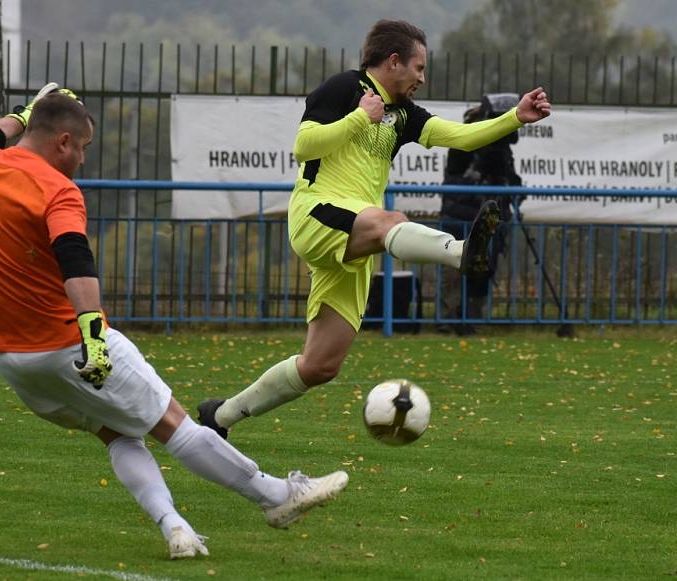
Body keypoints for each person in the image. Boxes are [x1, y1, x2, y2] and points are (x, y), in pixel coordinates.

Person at [0, 83, 348, 560]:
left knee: (116, 432)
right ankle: (278, 497)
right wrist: (93, 337)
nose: (81, 158)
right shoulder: (58, 189)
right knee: (175, 426)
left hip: (10, 359)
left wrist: (27, 108)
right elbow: (75, 260)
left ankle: (174, 526)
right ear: (62, 141)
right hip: (63, 342)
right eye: (82, 147)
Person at [198, 19, 550, 439]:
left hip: (355, 239)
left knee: (320, 365)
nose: (422, 77)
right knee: (391, 222)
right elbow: (303, 147)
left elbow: (461, 137)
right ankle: (460, 252)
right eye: (418, 68)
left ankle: (220, 416)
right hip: (317, 213)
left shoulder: (405, 115)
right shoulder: (345, 89)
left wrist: (515, 116)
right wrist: (360, 118)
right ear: (395, 61)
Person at [438, 95, 522, 336]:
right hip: (459, 215)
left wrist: (513, 188)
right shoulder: (462, 142)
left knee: (483, 266)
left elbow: (510, 180)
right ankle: (449, 319)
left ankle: (472, 318)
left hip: (489, 217)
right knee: (453, 265)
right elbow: (458, 174)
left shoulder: (502, 150)